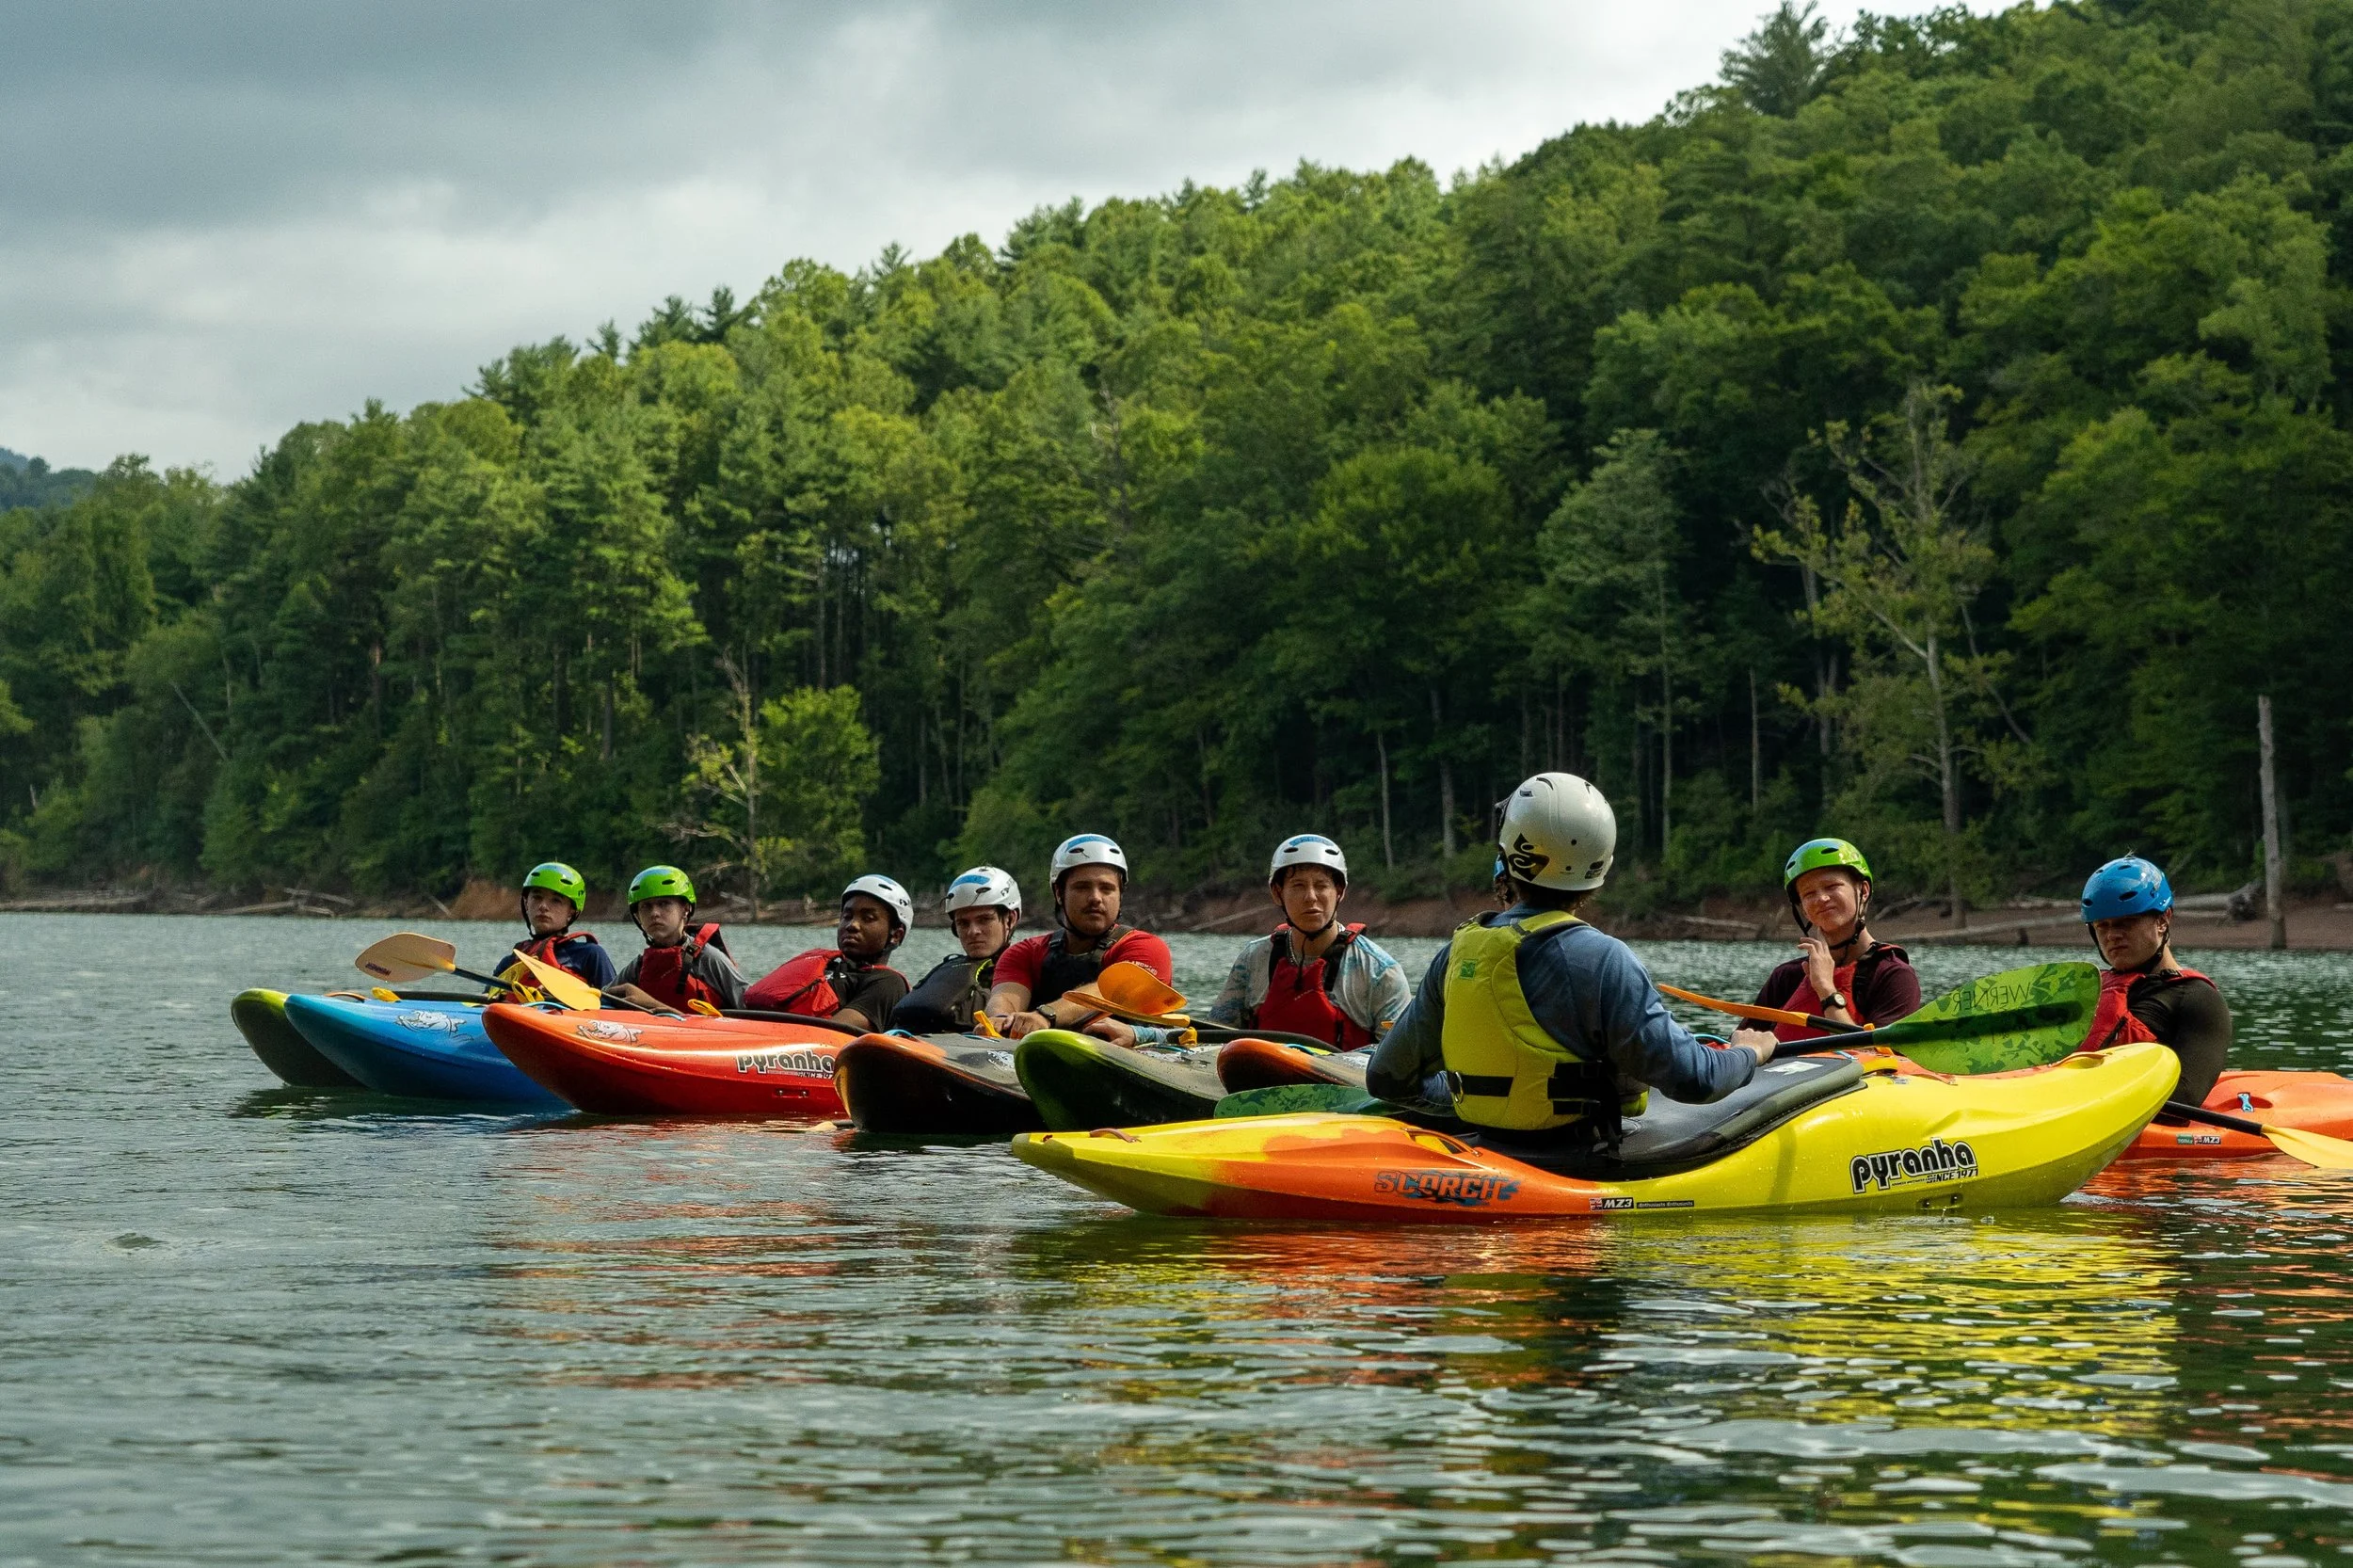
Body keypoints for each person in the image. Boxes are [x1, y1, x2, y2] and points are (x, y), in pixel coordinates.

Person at [1366, 772, 1769, 1151]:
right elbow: (1697, 1080)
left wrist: (1462, 1096)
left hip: (1488, 1152)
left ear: (1509, 857)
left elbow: (1387, 1079)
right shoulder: (1606, 960)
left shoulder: (1455, 953)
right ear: (1600, 866)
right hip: (1581, 1160)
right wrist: (1747, 1053)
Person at [1207, 834, 1410, 1048]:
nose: (1311, 897)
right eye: (1298, 886)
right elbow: (1214, 1038)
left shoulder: (1380, 971)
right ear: (1278, 893)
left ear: (1339, 892)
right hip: (1260, 1078)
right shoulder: (1253, 959)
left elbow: (1398, 1058)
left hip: (1342, 1080)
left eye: (1321, 886)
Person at [985, 833, 1175, 1044]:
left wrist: (1046, 1015)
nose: (1095, 898)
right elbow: (1005, 999)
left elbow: (1113, 992)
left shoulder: (1148, 948)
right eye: (1082, 887)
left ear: (1120, 894)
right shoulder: (1024, 953)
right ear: (1059, 893)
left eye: (1107, 888)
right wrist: (1000, 1021)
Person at [1734, 839, 1920, 1051]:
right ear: (1803, 909)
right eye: (1808, 894)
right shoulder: (1786, 977)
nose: (1821, 898)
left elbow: (1876, 1057)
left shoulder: (1893, 975)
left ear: (1864, 891)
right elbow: (1742, 1047)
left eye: (1832, 886)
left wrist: (1825, 988)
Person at [2078, 855, 2230, 1103]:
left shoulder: (2197, 999)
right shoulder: (2087, 993)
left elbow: (2186, 1098)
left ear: (2162, 920)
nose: (2112, 935)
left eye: (2126, 922)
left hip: (2124, 1122)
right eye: (2102, 926)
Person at [743, 874, 915, 1032]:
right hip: (747, 1024)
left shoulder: (888, 983)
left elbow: (833, 1034)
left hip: (787, 1046)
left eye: (868, 918)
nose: (852, 925)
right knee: (713, 957)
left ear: (896, 935)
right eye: (847, 916)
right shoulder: (826, 965)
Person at [892, 866, 1022, 1034]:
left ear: (1010, 919)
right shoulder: (946, 968)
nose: (973, 931)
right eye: (963, 923)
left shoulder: (1027, 971)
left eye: (984, 920)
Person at [610, 865, 750, 1014]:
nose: (654, 913)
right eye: (646, 907)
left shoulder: (710, 960)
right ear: (638, 916)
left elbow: (754, 1013)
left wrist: (652, 1005)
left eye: (664, 904)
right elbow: (601, 1000)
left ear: (685, 909)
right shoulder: (638, 967)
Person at [499, 861, 616, 991]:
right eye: (537, 897)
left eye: (556, 900)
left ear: (571, 912)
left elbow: (617, 1005)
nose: (543, 906)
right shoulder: (511, 961)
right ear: (526, 903)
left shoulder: (590, 955)